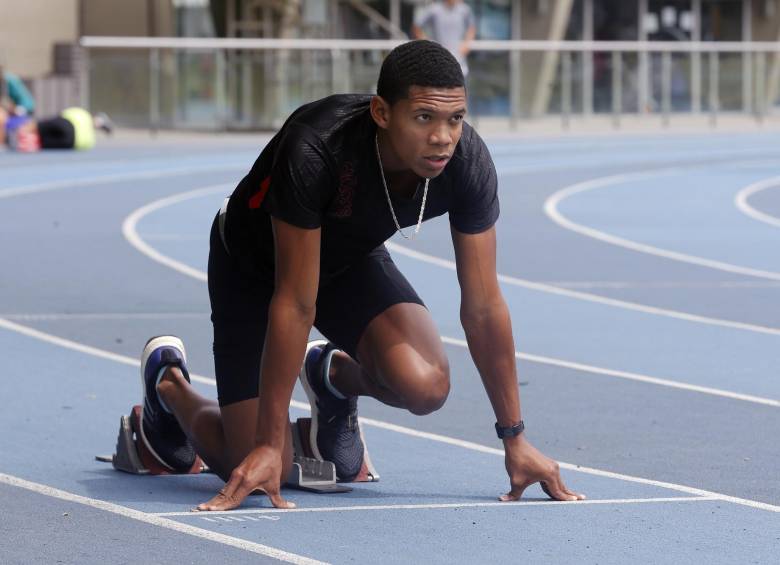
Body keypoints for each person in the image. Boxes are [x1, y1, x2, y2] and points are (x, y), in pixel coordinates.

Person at [138, 40, 584, 512]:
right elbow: (295, 302)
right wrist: (268, 444)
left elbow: (484, 307)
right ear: (381, 113)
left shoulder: (466, 162)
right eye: (424, 117)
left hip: (347, 261)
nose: (443, 137)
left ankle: (331, 377)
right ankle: (169, 388)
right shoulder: (317, 146)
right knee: (254, 462)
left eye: (455, 118)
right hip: (253, 269)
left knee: (426, 384)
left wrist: (515, 438)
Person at [412, 0, 476, 77]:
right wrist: (428, 45)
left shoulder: (464, 10)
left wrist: (466, 44)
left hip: (459, 60)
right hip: (438, 61)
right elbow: (416, 26)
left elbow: (472, 28)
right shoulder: (434, 9)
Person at [3, 106, 113, 151]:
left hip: (68, 125)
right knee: (42, 142)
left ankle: (17, 136)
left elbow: (59, 117)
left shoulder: (83, 114)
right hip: (69, 142)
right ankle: (19, 141)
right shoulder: (90, 141)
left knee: (39, 128)